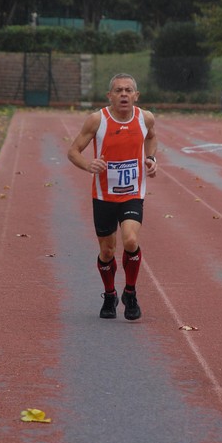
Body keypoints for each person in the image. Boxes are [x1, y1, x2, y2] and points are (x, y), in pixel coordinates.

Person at [67, 73, 157, 321]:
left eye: (129, 90)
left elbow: (152, 137)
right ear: (110, 95)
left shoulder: (145, 118)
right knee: (107, 252)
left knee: (130, 241)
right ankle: (109, 294)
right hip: (104, 196)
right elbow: (73, 151)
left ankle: (130, 292)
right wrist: (88, 165)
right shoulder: (97, 120)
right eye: (118, 90)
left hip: (132, 194)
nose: (124, 94)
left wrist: (151, 159)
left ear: (136, 95)